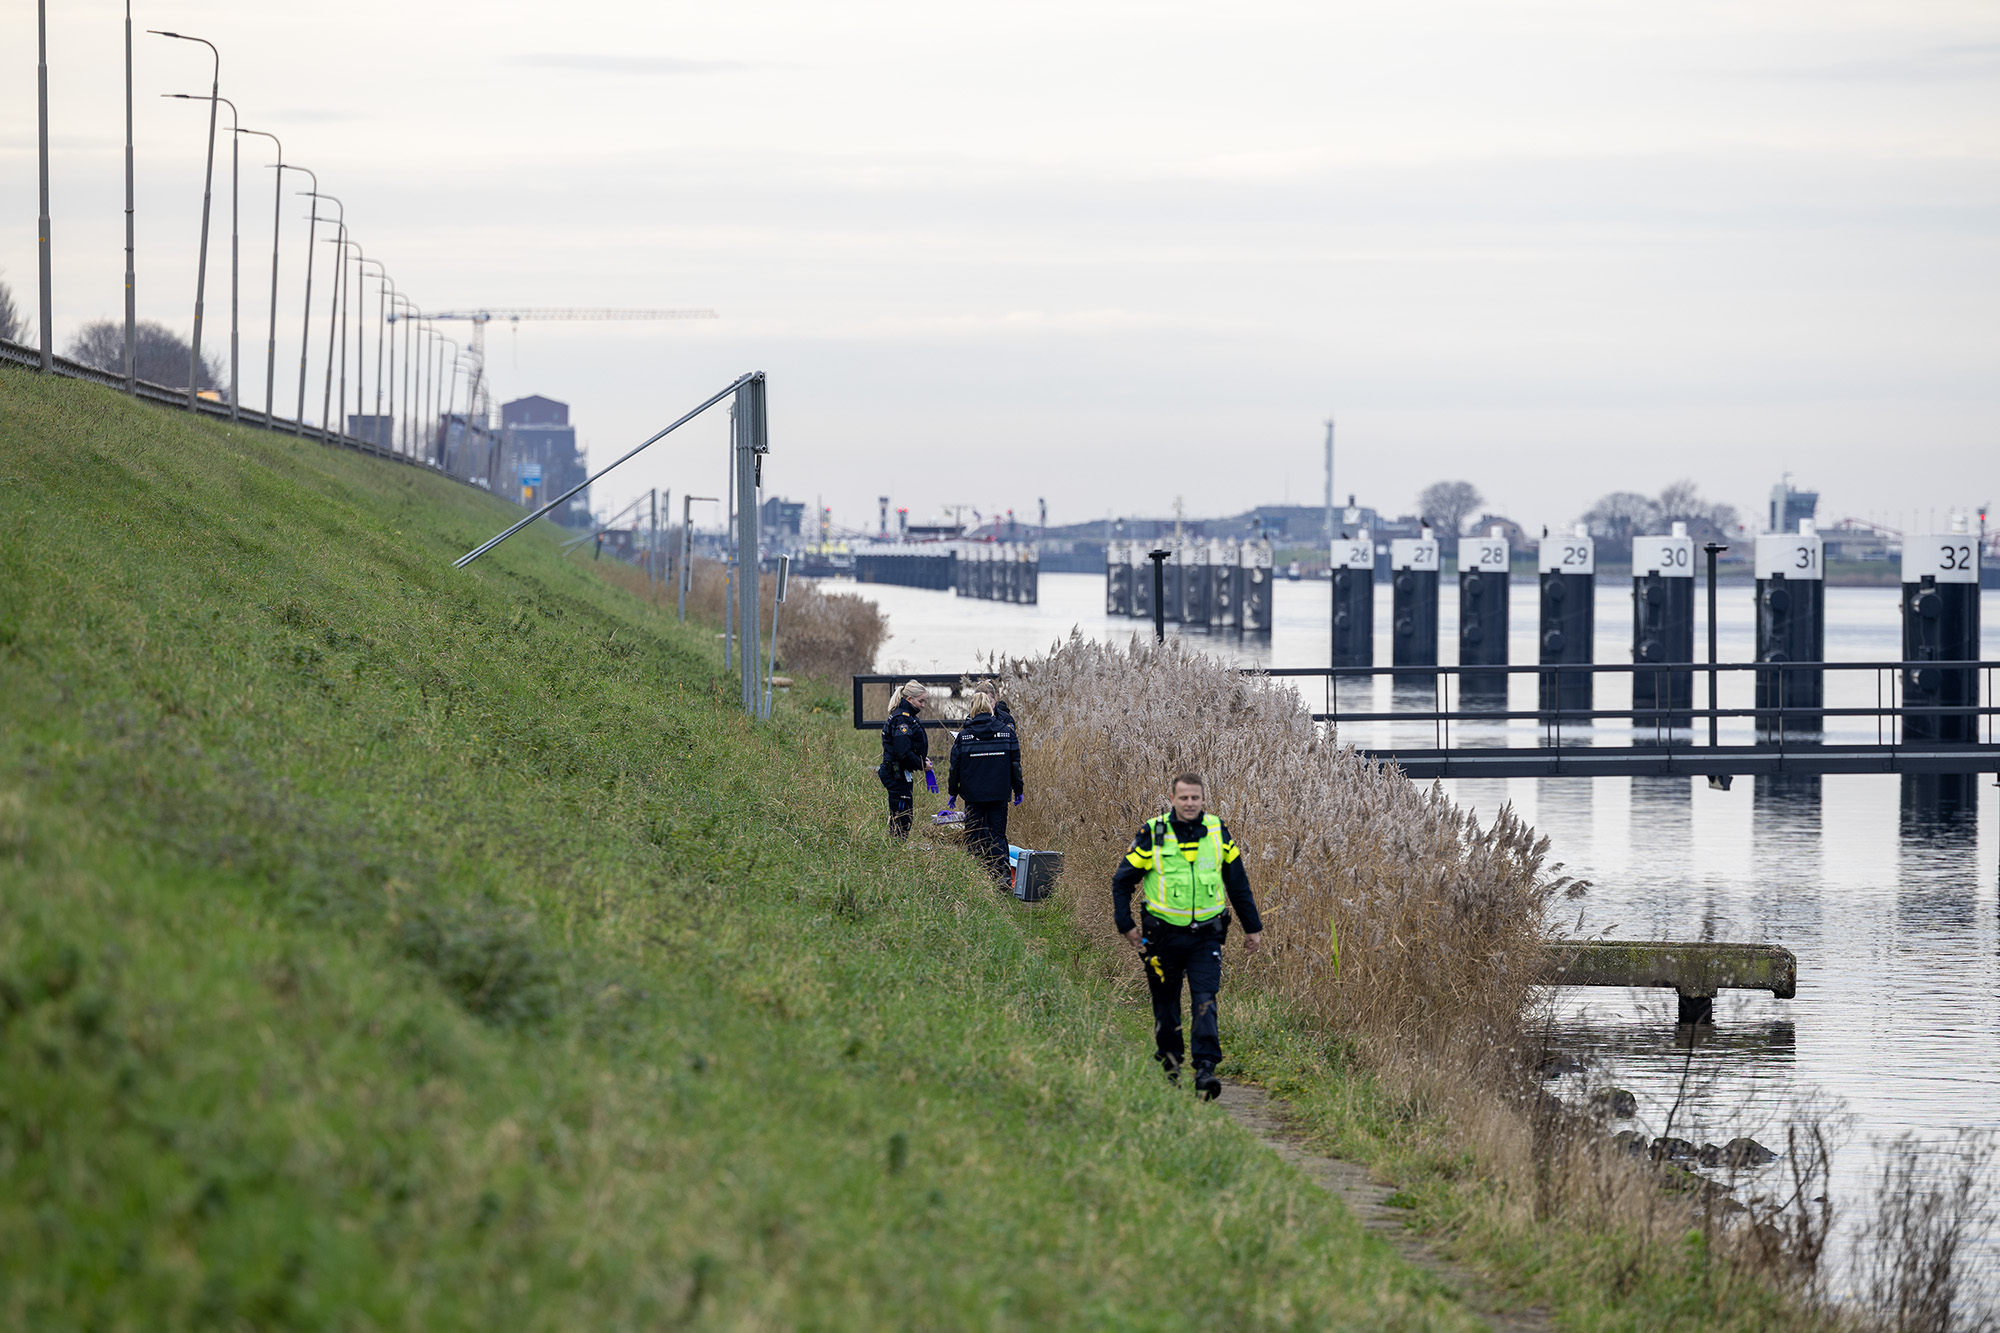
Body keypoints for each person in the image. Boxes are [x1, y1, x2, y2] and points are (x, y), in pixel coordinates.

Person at [1111, 773, 1263, 1100]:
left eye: (1195, 798)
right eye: (1184, 798)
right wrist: (1126, 925)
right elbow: (1122, 881)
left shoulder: (1217, 832)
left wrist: (1252, 927)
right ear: (1173, 798)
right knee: (1166, 1004)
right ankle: (1170, 1063)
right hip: (1161, 937)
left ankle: (1206, 1069)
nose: (1190, 803)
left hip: (1206, 936)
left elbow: (1237, 883)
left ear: (1204, 799)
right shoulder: (1153, 834)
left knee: (1205, 999)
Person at [947, 693, 1024, 883]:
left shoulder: (964, 737)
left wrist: (953, 791)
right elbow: (1015, 765)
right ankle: (1003, 876)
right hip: (999, 794)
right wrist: (1018, 790)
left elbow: (954, 767)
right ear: (991, 708)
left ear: (972, 709)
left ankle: (975, 878)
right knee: (997, 834)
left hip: (973, 796)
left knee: (974, 835)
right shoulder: (1007, 733)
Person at [878, 681, 932, 838]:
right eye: (920, 701)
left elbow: (908, 749)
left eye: (924, 701)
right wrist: (921, 764)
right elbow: (903, 752)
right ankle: (895, 849)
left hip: (901, 772)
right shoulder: (902, 720)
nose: (923, 705)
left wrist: (920, 759)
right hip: (896, 773)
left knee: (904, 815)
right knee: (902, 817)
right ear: (909, 699)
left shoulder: (907, 717)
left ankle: (897, 847)